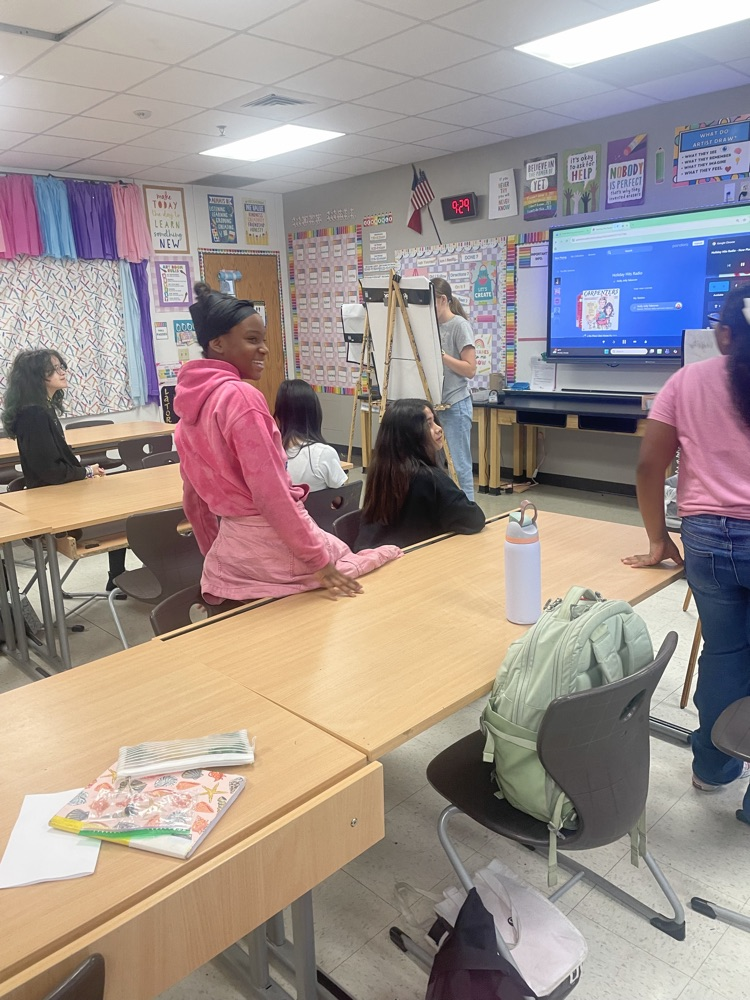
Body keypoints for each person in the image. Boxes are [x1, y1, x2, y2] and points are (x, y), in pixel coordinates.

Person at [173, 282, 400, 602]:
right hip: (277, 547)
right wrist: (318, 560)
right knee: (385, 565)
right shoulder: (240, 397)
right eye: (252, 340)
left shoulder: (186, 419)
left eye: (263, 340)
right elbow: (272, 494)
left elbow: (193, 501)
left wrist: (217, 554)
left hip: (235, 552)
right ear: (217, 343)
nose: (264, 349)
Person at [623, 284, 750, 803]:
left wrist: (658, 538)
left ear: (723, 335)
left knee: (724, 656)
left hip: (708, 541)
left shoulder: (686, 381)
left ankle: (713, 771)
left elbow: (651, 465)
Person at [1, 349, 127, 591]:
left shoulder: (41, 409)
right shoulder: (34, 414)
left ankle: (117, 576)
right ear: (37, 376)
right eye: (55, 368)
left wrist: (85, 471)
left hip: (57, 492)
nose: (63, 372)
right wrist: (86, 472)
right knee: (119, 510)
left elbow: (54, 464)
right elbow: (51, 472)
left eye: (62, 366)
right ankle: (118, 576)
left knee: (119, 502)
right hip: (50, 503)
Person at [354, 398, 485, 552]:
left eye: (435, 421)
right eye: (428, 424)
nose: (438, 429)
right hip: (410, 564)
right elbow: (474, 519)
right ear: (411, 435)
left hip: (371, 559)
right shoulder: (430, 478)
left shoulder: (380, 472)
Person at [433, 277, 477, 500]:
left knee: (459, 468)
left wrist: (442, 357)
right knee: (439, 469)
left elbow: (470, 369)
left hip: (456, 405)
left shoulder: (459, 325)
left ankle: (468, 512)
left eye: (432, 302)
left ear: (443, 300)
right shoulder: (430, 326)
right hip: (436, 408)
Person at [274, 378, 347, 492]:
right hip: (316, 510)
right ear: (315, 413)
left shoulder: (271, 454)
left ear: (278, 416)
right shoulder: (323, 454)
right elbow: (341, 499)